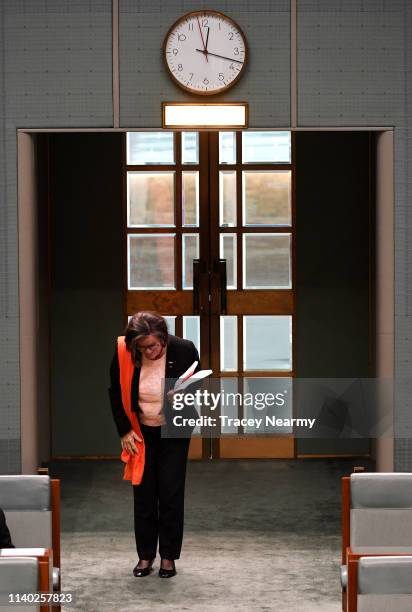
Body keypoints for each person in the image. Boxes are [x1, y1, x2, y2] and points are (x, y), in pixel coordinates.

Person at [108, 311, 201, 578]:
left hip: (174, 431)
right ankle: (145, 556)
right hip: (140, 432)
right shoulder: (125, 352)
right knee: (144, 495)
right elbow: (115, 390)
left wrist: (182, 393)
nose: (150, 351)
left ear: (163, 337)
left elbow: (198, 381)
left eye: (154, 345)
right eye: (143, 347)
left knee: (171, 494)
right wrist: (124, 430)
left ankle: (168, 556)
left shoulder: (184, 349)